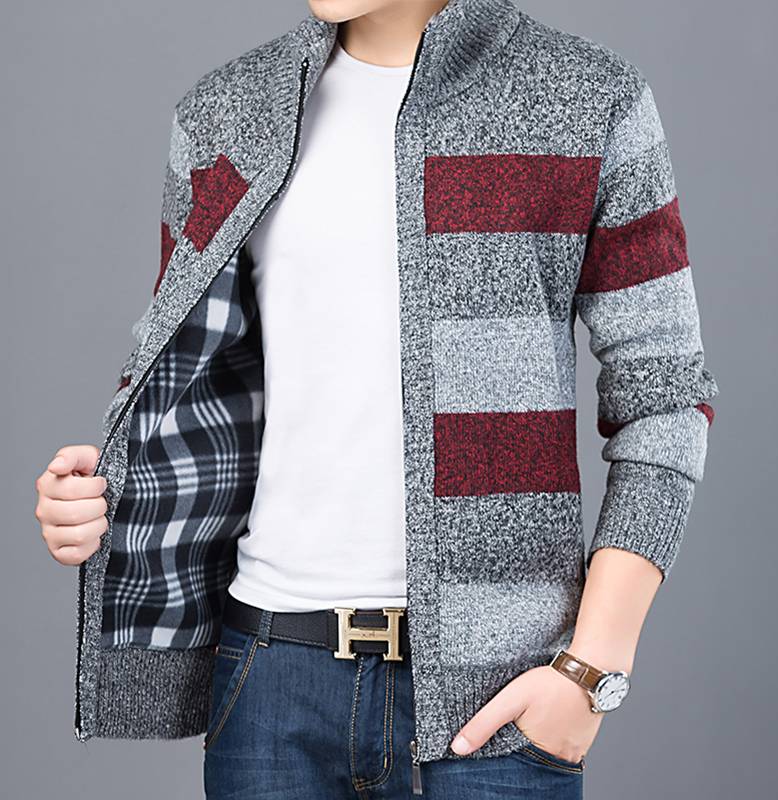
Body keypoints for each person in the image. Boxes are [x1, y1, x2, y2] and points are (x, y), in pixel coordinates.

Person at [33, 0, 719, 797]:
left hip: (497, 696)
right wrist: (105, 492)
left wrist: (592, 668)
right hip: (270, 681)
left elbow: (666, 398)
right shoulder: (226, 111)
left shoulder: (589, 98)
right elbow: (192, 376)